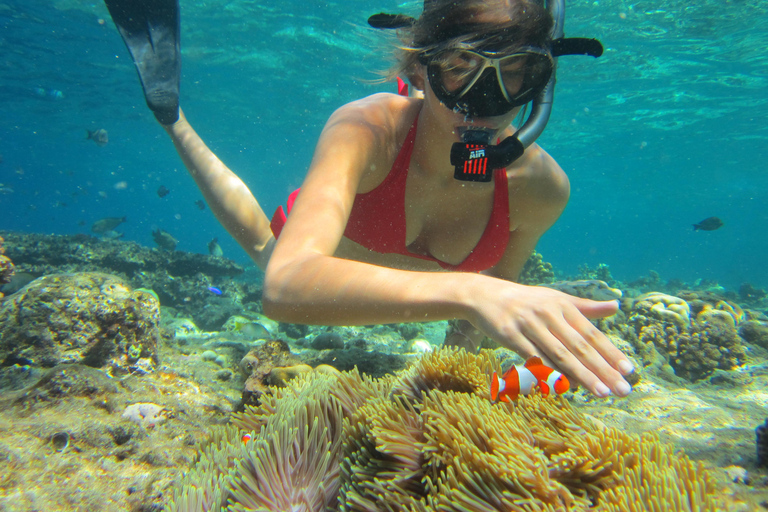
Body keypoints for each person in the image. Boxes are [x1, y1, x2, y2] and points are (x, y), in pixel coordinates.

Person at [105, 0, 634, 397]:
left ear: (542, 83)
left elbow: (485, 313)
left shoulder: (541, 189)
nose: (486, 104)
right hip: (305, 251)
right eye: (460, 68)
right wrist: (470, 290)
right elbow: (285, 286)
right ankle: (172, 117)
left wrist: (443, 389)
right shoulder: (365, 128)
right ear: (419, 69)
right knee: (268, 250)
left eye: (517, 73)